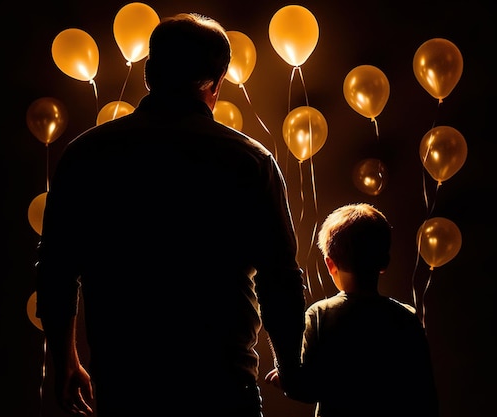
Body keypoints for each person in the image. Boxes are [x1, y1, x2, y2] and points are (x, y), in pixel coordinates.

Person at [35, 12, 306, 417]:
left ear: (149, 73)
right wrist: (290, 366)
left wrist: (66, 362)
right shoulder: (250, 161)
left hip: (127, 381)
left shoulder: (87, 154)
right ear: (217, 82)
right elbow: (279, 277)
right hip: (222, 381)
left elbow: (56, 269)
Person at [265, 203, 439, 416]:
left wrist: (286, 377)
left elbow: (307, 390)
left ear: (330, 265)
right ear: (384, 262)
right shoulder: (407, 318)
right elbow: (425, 395)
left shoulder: (320, 315)